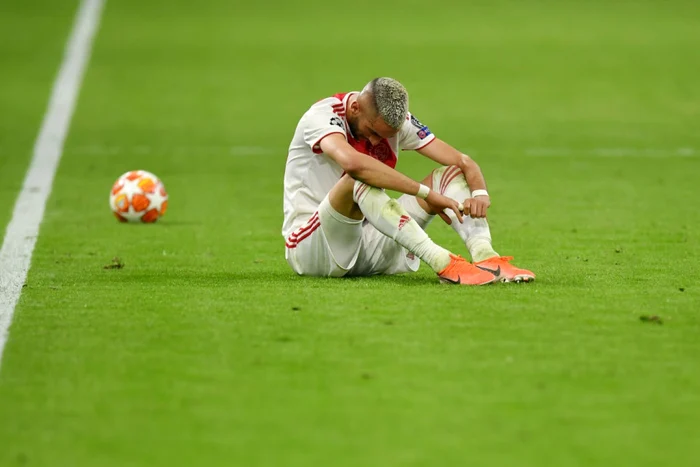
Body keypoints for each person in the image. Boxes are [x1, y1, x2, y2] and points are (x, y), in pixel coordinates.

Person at [282, 77, 535, 285]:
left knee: (448, 174)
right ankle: (442, 261)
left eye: (385, 137)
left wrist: (479, 193)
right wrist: (425, 194)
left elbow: (463, 162)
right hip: (314, 248)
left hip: (368, 245)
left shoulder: (396, 122)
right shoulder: (321, 116)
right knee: (357, 179)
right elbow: (354, 164)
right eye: (372, 132)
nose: (375, 142)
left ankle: (487, 258)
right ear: (356, 108)